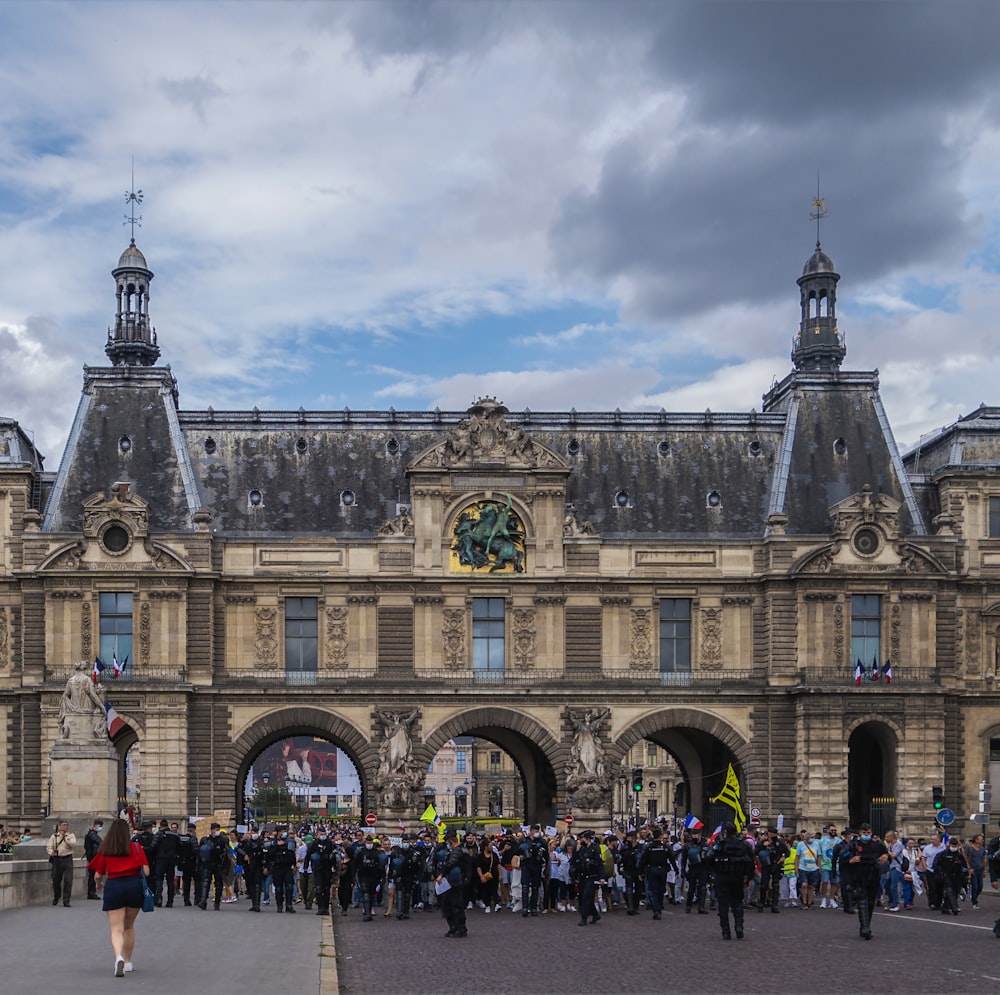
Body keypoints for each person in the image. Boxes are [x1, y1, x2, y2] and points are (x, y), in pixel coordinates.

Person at [87, 818, 149, 977]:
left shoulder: (106, 849)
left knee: (116, 928)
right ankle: (128, 962)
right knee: (129, 926)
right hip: (133, 886)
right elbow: (147, 872)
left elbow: (97, 874)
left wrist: (99, 884)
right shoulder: (136, 847)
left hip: (114, 886)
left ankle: (118, 957)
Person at [846, 822, 889, 940]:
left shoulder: (878, 844)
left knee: (870, 902)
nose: (866, 834)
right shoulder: (854, 844)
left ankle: (865, 926)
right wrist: (851, 860)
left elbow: (885, 855)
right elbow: (843, 858)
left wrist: (885, 857)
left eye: (868, 833)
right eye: (864, 833)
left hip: (873, 876)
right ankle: (865, 928)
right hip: (859, 876)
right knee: (862, 901)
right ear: (860, 833)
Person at [713, 822, 754, 940]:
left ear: (725, 832)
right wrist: (748, 878)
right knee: (737, 903)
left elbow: (708, 858)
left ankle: (726, 931)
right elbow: (750, 863)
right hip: (738, 877)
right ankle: (739, 925)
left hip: (722, 877)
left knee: (723, 905)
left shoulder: (720, 845)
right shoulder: (744, 845)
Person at [47, 819, 78, 907]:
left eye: (66, 825)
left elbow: (73, 844)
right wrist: (52, 852)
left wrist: (65, 838)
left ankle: (66, 900)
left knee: (68, 880)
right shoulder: (54, 836)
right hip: (57, 859)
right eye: (63, 825)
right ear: (60, 826)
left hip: (68, 859)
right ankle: (57, 896)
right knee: (56, 880)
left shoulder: (71, 836)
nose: (65, 827)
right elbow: (49, 847)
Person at [84, 819, 104, 899]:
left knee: (92, 875)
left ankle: (92, 892)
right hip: (92, 856)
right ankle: (91, 892)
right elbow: (99, 841)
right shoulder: (92, 834)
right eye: (100, 826)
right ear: (95, 825)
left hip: (92, 856)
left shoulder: (91, 833)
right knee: (92, 875)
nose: (100, 828)